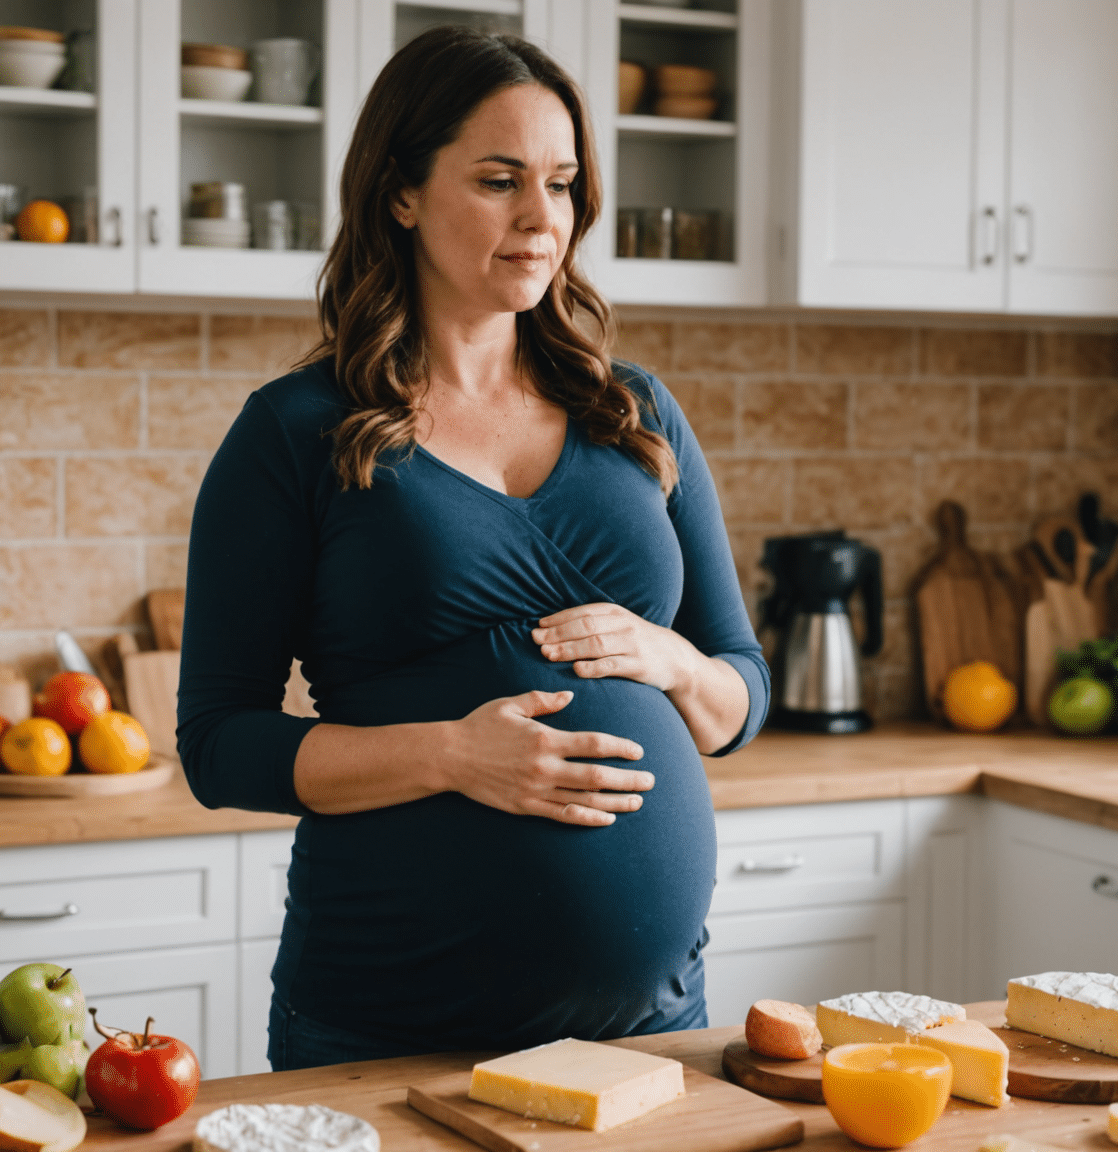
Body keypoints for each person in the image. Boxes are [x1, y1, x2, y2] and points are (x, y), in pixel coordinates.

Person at [176, 25, 769, 1070]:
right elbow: (219, 747)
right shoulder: (296, 432)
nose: (544, 219)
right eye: (500, 181)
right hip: (391, 1031)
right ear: (401, 191)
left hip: (653, 1038)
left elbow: (739, 700)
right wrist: (453, 755)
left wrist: (672, 659)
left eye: (563, 182)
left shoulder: (637, 415)